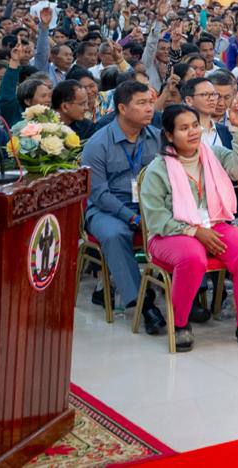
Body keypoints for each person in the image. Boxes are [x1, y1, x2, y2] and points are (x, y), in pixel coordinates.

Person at [138, 99, 238, 351]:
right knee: (193, 258)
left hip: (213, 223)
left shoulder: (212, 155)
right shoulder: (158, 169)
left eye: (195, 126)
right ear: (169, 135)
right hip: (170, 233)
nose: (192, 132)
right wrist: (194, 231)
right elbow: (156, 219)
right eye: (183, 128)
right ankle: (180, 325)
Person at [81, 80, 165, 332]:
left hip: (149, 204)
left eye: (151, 102)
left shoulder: (158, 137)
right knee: (116, 234)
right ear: (122, 108)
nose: (150, 108)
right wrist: (131, 217)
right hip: (108, 208)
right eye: (141, 104)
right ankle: (141, 303)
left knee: (183, 224)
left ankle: (193, 296)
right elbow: (98, 192)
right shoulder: (98, 143)